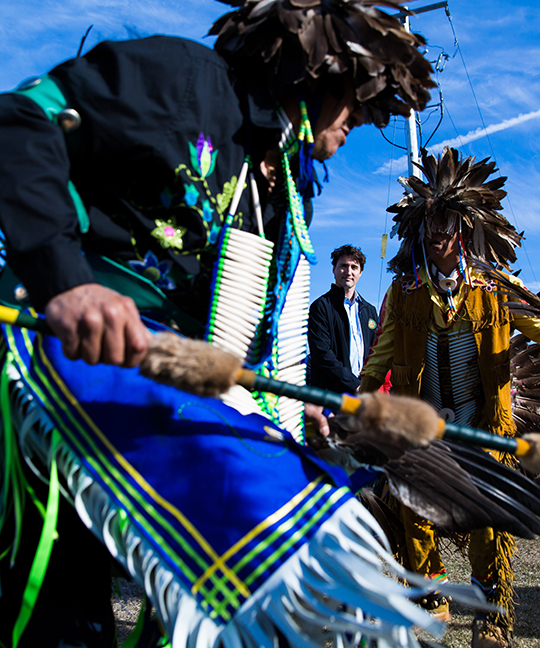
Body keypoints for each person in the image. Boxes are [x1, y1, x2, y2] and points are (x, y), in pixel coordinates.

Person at [0, 2, 444, 647]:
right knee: (55, 610)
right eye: (356, 101)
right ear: (318, 71)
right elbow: (19, 123)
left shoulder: (288, 184)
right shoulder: (182, 80)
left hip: (162, 400)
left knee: (201, 604)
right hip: (57, 373)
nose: (359, 122)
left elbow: (238, 322)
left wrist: (296, 410)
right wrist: (67, 281)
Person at [360, 146, 540, 648]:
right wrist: (360, 399)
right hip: (424, 425)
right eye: (431, 225)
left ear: (464, 229)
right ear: (419, 231)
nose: (438, 234)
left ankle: (492, 616)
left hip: (484, 424)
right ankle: (430, 598)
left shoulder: (494, 288)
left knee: (485, 520)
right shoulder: (405, 292)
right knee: (415, 513)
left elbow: (538, 324)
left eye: (447, 224)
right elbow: (382, 355)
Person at [308, 245, 378, 394]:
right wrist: (355, 385)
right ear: (334, 269)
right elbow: (322, 354)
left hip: (365, 395)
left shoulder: (370, 311)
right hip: (331, 397)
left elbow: (376, 352)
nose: (348, 272)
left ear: (361, 272)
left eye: (354, 267)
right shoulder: (320, 307)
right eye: (343, 266)